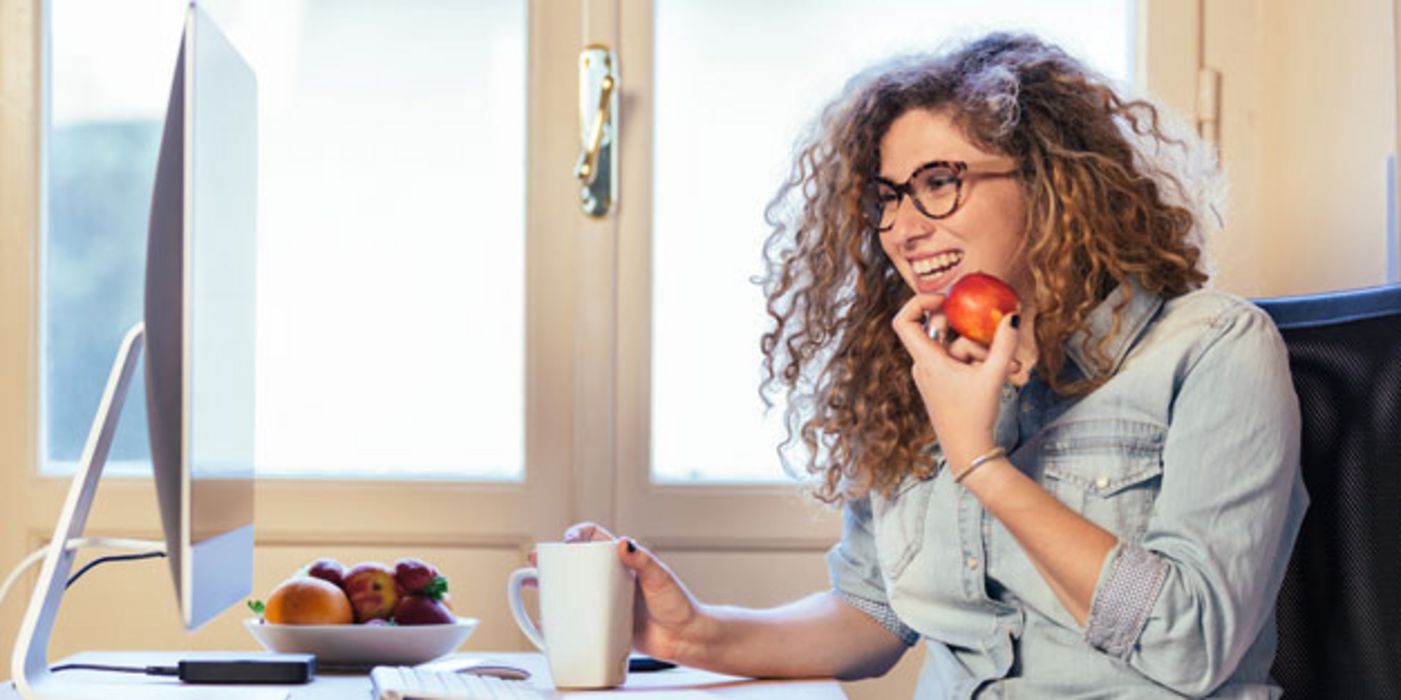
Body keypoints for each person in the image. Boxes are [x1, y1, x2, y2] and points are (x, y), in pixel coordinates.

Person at [557, 33, 1306, 699]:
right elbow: (873, 614)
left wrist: (980, 461)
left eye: (938, 183)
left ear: (1049, 184)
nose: (904, 227)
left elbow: (1190, 643)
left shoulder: (1210, 350)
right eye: (886, 197)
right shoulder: (912, 371)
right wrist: (694, 635)